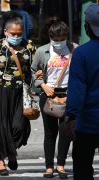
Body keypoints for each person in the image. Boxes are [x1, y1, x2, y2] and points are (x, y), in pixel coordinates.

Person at [0, 16, 36, 176]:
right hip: (1, 90)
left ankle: (12, 150)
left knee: (19, 126)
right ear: (6, 32)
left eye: (19, 33)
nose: (16, 37)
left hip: (21, 91)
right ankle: (2, 160)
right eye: (13, 33)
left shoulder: (29, 47)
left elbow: (36, 67)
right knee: (1, 126)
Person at [31, 20, 77, 179]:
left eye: (61, 39)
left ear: (66, 37)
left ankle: (61, 165)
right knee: (50, 133)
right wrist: (42, 85)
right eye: (55, 39)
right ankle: (49, 166)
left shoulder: (74, 49)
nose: (58, 42)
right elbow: (33, 72)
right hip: (49, 95)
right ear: (50, 37)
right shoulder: (42, 51)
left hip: (69, 95)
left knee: (66, 132)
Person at [66, 3, 99, 180]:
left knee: (83, 170)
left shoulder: (82, 53)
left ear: (88, 27)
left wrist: (71, 117)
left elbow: (77, 89)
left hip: (87, 123)